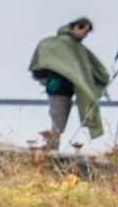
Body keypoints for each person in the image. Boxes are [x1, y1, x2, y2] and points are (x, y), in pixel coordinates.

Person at [28, 17, 110, 150]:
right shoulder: (59, 44)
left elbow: (89, 67)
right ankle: (51, 149)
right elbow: (42, 62)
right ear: (75, 27)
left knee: (59, 121)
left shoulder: (77, 48)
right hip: (58, 88)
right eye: (84, 30)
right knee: (58, 121)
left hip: (67, 89)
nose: (85, 34)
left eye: (88, 32)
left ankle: (51, 148)